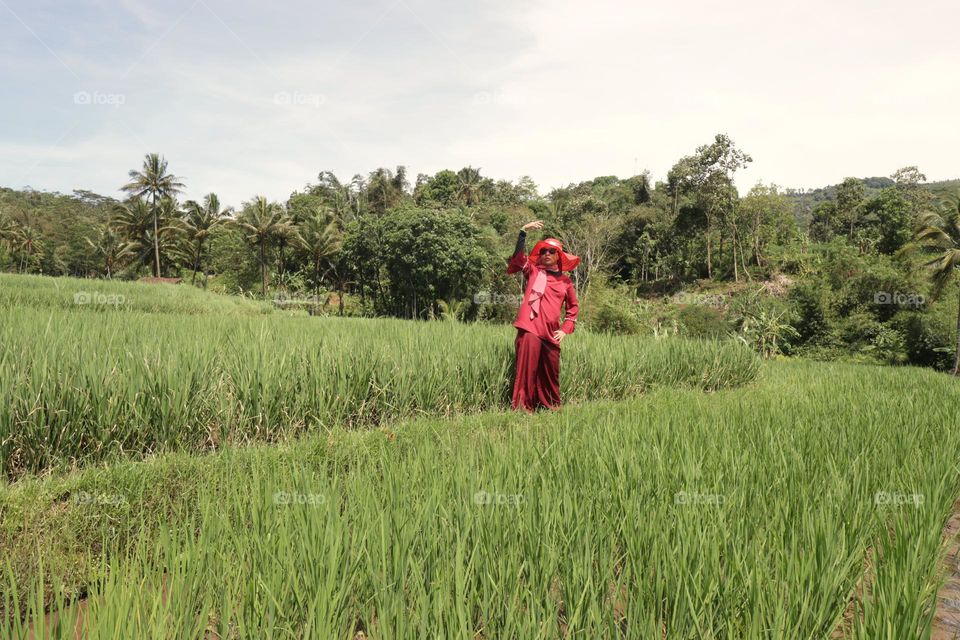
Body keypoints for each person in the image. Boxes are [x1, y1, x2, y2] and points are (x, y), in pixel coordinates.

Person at [506, 220, 580, 412]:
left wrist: (565, 330)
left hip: (551, 334)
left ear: (559, 256)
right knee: (526, 371)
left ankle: (551, 407)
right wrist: (523, 233)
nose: (546, 254)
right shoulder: (533, 272)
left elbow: (573, 309)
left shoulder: (566, 282)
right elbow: (517, 259)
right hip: (530, 329)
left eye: (551, 251)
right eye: (543, 251)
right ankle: (523, 409)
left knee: (550, 373)